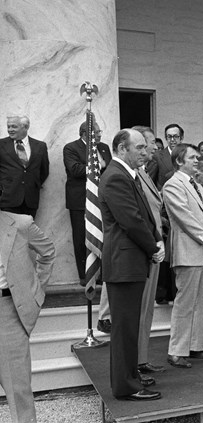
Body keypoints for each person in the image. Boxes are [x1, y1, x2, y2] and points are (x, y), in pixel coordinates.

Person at [99, 129, 164, 400]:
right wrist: (154, 247)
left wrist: (156, 239)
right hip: (124, 263)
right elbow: (131, 220)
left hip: (131, 262)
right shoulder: (115, 176)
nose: (144, 151)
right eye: (139, 147)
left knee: (129, 327)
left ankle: (131, 377)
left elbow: (145, 215)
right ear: (122, 148)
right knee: (124, 329)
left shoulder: (128, 174)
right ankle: (126, 386)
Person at [0, 188, 55, 422]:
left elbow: (48, 252)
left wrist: (35, 291)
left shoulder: (21, 224)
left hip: (8, 313)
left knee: (18, 388)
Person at [163, 143, 203, 368]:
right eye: (192, 158)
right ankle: (176, 351)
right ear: (179, 161)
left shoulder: (195, 183)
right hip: (189, 251)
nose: (197, 161)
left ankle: (195, 346)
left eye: (198, 157)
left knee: (200, 302)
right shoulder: (172, 185)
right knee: (185, 304)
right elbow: (184, 218)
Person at [130, 126, 167, 377]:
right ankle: (134, 363)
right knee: (138, 310)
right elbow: (136, 216)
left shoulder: (143, 173)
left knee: (147, 311)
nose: (153, 148)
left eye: (151, 144)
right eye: (147, 144)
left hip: (153, 248)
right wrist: (153, 244)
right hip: (144, 250)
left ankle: (141, 359)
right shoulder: (131, 175)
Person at [63, 121, 112, 283]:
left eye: (100, 132)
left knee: (102, 235)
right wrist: (97, 165)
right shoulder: (71, 148)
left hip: (102, 199)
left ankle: (102, 274)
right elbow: (75, 169)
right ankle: (85, 276)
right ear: (85, 134)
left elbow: (110, 170)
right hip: (80, 201)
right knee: (81, 237)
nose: (100, 135)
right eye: (96, 132)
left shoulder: (104, 147)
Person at [0, 115, 50, 217]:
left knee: (28, 232)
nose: (10, 130)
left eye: (14, 127)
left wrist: (33, 184)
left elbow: (44, 171)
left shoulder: (40, 146)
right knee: (9, 232)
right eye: (8, 127)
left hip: (30, 200)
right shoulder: (1, 145)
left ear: (25, 127)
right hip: (7, 200)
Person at [148, 123, 183, 189]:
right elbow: (150, 182)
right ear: (166, 138)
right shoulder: (157, 157)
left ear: (181, 138)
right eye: (169, 137)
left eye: (175, 136)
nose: (172, 140)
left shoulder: (187, 156)